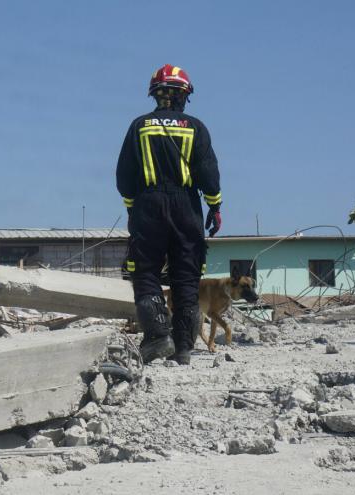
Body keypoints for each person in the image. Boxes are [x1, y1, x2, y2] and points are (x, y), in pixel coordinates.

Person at [116, 64, 222, 365]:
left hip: (147, 205)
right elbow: (209, 175)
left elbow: (124, 175)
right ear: (184, 96)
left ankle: (157, 337)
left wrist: (131, 207)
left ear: (155, 95)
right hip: (187, 206)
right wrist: (214, 207)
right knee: (186, 278)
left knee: (146, 272)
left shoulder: (139, 126)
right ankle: (183, 348)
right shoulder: (196, 127)